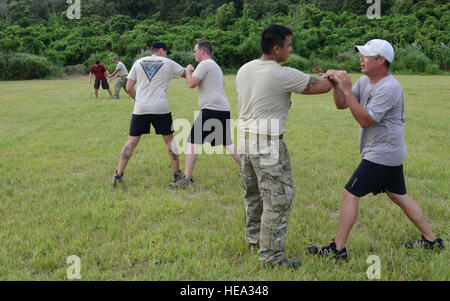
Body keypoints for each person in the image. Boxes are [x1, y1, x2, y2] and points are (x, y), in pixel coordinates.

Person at [308, 39, 444, 260]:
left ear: (381, 60)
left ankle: (338, 248)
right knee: (399, 195)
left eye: (367, 56)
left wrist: (347, 89)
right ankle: (431, 240)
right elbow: (343, 104)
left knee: (350, 193)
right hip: (389, 151)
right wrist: (337, 86)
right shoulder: (366, 81)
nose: (361, 59)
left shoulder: (389, 87)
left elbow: (366, 120)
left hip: (383, 153)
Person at [236, 24, 333, 268]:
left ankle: (254, 239)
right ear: (277, 49)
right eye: (289, 45)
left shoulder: (244, 69)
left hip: (245, 140)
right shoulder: (282, 73)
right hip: (267, 142)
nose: (291, 49)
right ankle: (271, 258)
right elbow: (321, 86)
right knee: (277, 200)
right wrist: (333, 77)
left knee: (253, 194)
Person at [112, 42, 186, 187]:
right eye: (166, 52)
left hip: (140, 108)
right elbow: (186, 74)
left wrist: (140, 101)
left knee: (131, 142)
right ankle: (177, 174)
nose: (167, 55)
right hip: (161, 108)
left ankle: (118, 174)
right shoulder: (168, 62)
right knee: (169, 141)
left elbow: (128, 87)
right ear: (162, 51)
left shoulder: (138, 62)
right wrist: (190, 68)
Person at [170, 40, 241, 189]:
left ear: (203, 51)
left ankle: (187, 179)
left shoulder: (205, 64)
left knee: (192, 141)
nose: (194, 53)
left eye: (195, 51)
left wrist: (189, 71)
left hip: (212, 108)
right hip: (222, 108)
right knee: (226, 142)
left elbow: (191, 84)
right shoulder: (215, 65)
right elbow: (222, 85)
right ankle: (249, 171)